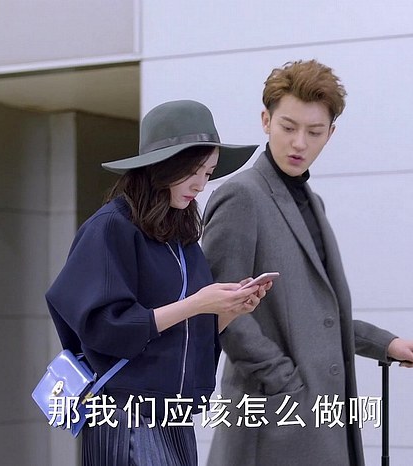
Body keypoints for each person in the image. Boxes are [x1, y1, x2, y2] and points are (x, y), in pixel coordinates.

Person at [201, 60, 413, 466]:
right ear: (266, 121)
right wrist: (283, 381)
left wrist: (384, 344)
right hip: (273, 418)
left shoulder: (313, 203)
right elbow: (219, 309)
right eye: (288, 127)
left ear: (330, 133)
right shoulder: (241, 196)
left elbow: (317, 315)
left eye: (314, 132)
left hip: (320, 417)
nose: (299, 143)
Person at [45, 100, 271, 466]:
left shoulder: (181, 238)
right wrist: (197, 303)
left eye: (209, 172)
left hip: (172, 413)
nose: (201, 184)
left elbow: (183, 333)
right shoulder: (111, 227)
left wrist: (228, 309)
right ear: (162, 165)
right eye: (193, 171)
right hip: (126, 413)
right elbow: (104, 327)